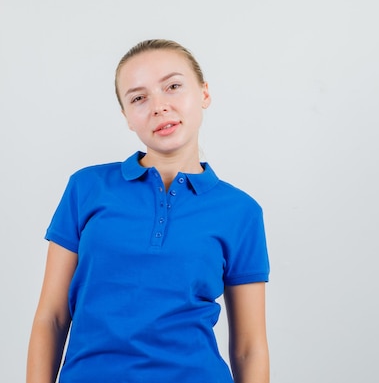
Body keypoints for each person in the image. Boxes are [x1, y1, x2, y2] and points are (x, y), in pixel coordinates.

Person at [26, 39, 270, 383]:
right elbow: (51, 317)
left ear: (204, 94)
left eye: (173, 86)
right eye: (139, 98)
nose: (159, 107)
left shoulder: (241, 211)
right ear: (127, 117)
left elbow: (250, 347)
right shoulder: (87, 188)